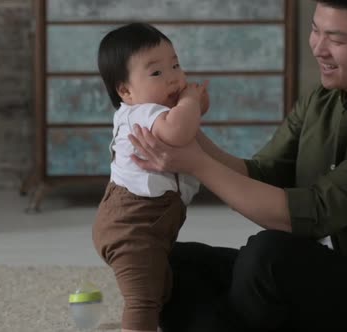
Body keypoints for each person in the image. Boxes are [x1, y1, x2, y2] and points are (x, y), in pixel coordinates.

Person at [128, 1, 347, 331]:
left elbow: (311, 215)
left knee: (267, 257)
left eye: (336, 39)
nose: (319, 48)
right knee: (168, 262)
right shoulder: (323, 97)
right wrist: (184, 134)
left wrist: (196, 164)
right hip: (317, 270)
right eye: (316, 30)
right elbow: (262, 174)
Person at [92, 22, 209, 332]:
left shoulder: (154, 111)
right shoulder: (141, 113)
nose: (172, 76)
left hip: (151, 225)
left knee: (159, 288)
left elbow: (189, 120)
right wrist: (190, 102)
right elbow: (180, 129)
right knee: (142, 301)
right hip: (132, 226)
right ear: (126, 91)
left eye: (175, 65)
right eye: (156, 73)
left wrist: (192, 105)